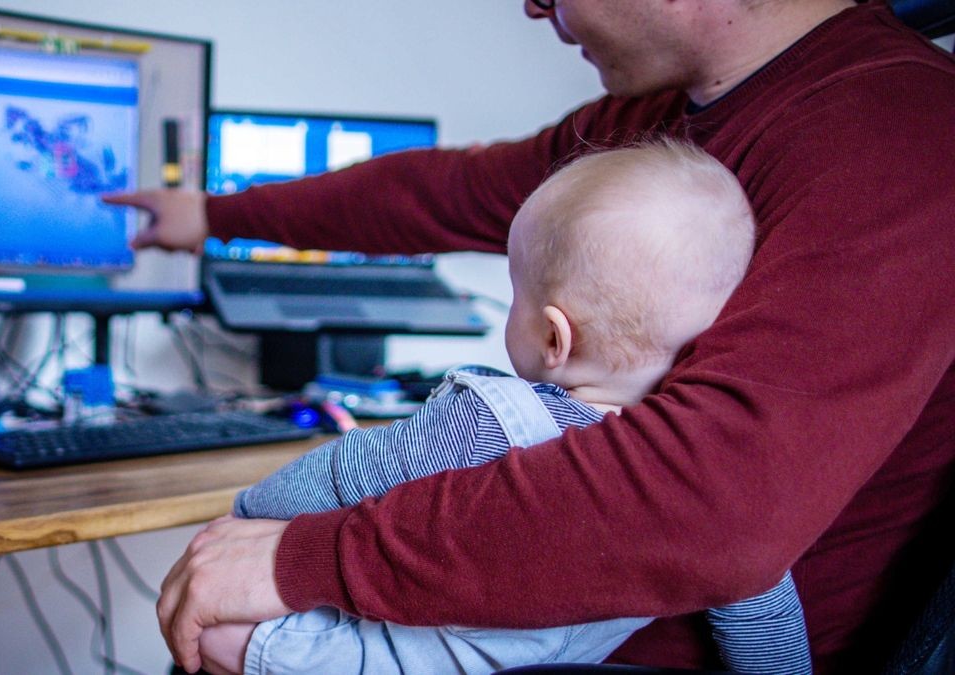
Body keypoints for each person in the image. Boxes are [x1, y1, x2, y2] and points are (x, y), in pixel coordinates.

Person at [108, 1, 955, 671]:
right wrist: (214, 216)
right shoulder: (658, 118)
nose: (528, 8)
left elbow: (715, 509)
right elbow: (441, 193)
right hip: (574, 613)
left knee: (225, 629)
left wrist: (305, 556)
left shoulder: (897, 132)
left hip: (653, 649)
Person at [194, 140, 810, 675]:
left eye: (516, 292)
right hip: (554, 665)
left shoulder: (492, 420)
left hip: (408, 655)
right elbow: (763, 608)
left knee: (213, 628)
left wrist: (250, 515)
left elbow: (344, 474)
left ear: (553, 338)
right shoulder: (706, 483)